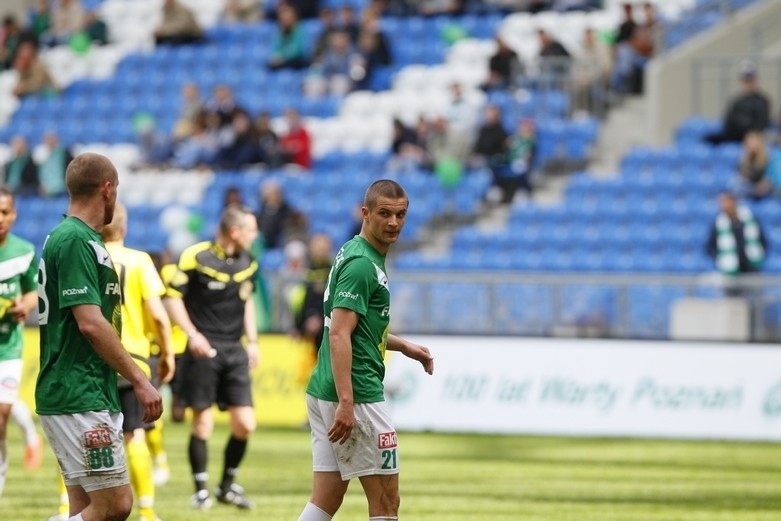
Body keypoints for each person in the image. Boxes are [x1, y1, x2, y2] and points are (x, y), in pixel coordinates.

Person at [297, 179, 435, 521]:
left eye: (401, 215)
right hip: (356, 394)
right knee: (387, 502)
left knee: (325, 498)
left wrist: (403, 347)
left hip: (326, 388)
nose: (393, 223)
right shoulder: (362, 265)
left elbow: (356, 327)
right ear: (365, 213)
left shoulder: (353, 251)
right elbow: (339, 335)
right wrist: (347, 401)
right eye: (385, 214)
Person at [35, 152, 163, 521]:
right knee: (115, 505)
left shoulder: (74, 237)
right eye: (117, 190)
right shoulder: (75, 240)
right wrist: (139, 378)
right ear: (108, 189)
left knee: (85, 508)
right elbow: (90, 323)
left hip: (79, 389)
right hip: (80, 391)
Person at [164, 204, 260, 510]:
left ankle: (226, 487)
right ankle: (201, 490)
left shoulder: (248, 260)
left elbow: (247, 303)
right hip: (203, 350)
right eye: (250, 230)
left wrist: (253, 341)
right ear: (235, 231)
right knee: (202, 424)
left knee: (245, 424)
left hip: (234, 349)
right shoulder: (196, 256)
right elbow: (172, 299)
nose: (254, 235)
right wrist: (193, 335)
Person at [102, 202, 175, 521]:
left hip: (95, 360)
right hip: (134, 360)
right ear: (125, 227)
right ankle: (146, 510)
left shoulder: (87, 257)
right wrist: (168, 354)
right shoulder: (139, 261)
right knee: (135, 435)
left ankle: (66, 508)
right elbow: (158, 316)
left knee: (86, 437)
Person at [0, 187, 40, 498]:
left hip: (8, 347)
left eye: (5, 212)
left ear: (14, 215)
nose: (0, 219)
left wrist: (24, 306)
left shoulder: (25, 251)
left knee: (2, 412)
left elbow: (31, 291)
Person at [704, 63, 771, 145]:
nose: (748, 84)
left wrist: (749, 131)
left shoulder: (762, 101)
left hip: (749, 137)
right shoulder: (737, 100)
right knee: (707, 139)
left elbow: (762, 124)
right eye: (745, 81)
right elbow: (728, 120)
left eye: (750, 80)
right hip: (732, 134)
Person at [706, 192, 768, 276]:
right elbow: (710, 247)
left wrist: (759, 255)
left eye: (726, 201)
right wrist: (721, 258)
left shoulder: (749, 219)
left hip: (751, 268)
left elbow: (762, 240)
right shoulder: (718, 223)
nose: (724, 205)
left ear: (734, 201)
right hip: (730, 271)